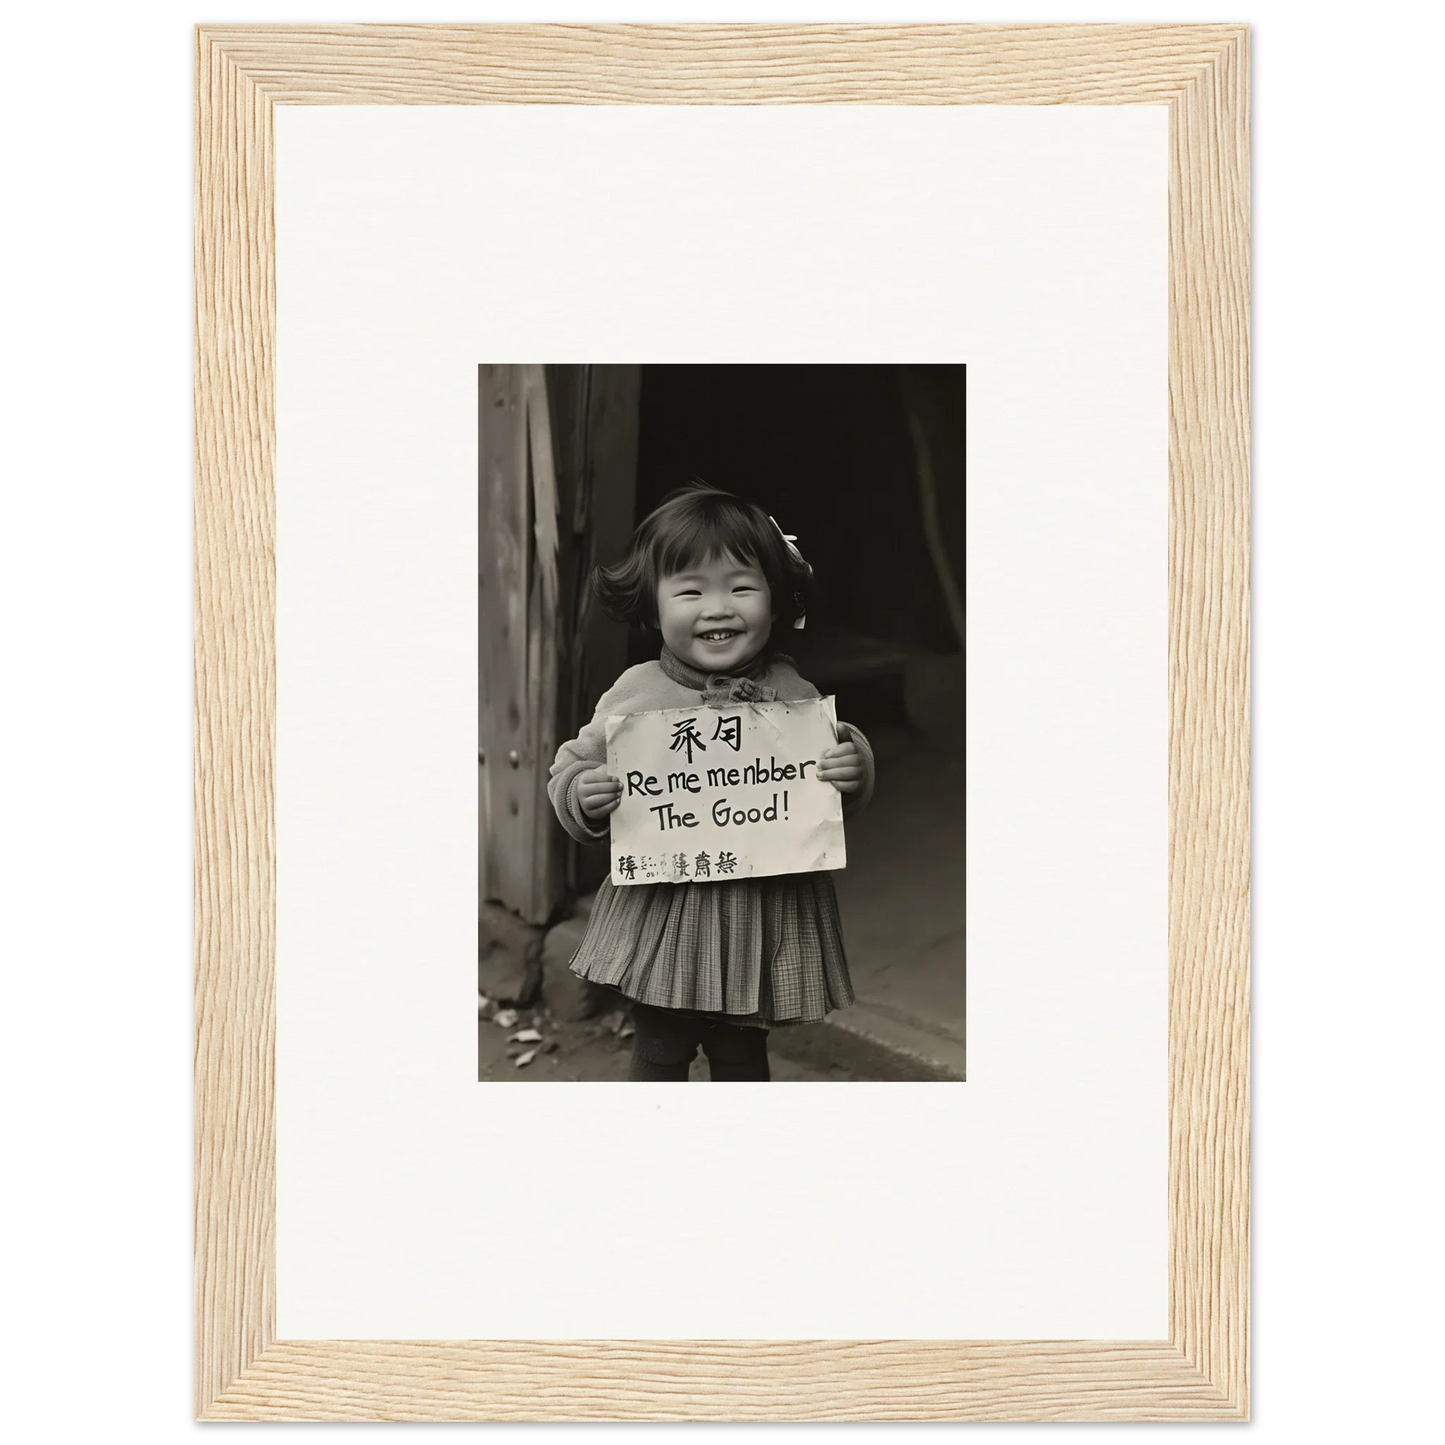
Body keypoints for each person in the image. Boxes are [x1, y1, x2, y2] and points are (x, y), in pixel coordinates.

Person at [547, 480, 876, 1081]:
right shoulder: (635, 694)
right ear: (652, 606)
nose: (718, 607)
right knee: (660, 1046)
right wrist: (583, 793)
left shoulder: (794, 696)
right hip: (669, 913)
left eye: (742, 588)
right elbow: (572, 763)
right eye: (691, 590)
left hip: (761, 915)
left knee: (741, 1053)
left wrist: (850, 766)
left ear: (776, 602)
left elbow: (820, 792)